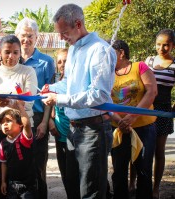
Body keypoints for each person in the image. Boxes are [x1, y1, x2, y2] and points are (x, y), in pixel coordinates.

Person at [41, 4, 117, 198]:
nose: (61, 38)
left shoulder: (100, 50)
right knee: (72, 186)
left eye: (64, 32)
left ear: (78, 23)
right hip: (73, 130)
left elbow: (98, 94)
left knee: (90, 191)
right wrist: (52, 89)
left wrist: (60, 99)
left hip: (93, 131)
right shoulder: (73, 50)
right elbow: (69, 83)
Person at [0, 34, 37, 199]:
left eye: (15, 52)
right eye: (7, 52)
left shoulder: (28, 72)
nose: (11, 56)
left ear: (20, 53)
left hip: (22, 131)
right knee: (2, 174)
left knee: (26, 173)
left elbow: (29, 101)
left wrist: (11, 102)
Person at [110, 40, 157, 199]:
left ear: (121, 53)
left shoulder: (140, 67)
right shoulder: (107, 73)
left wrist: (132, 116)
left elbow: (152, 91)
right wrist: (119, 120)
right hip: (118, 129)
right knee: (119, 172)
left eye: (110, 53)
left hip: (144, 128)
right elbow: (103, 100)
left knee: (143, 170)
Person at [15, 17, 55, 199]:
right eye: (23, 35)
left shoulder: (46, 61)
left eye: (30, 35)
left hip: (38, 116)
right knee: (18, 162)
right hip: (16, 116)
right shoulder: (12, 58)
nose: (26, 39)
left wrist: (45, 122)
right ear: (17, 36)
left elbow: (49, 94)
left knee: (39, 165)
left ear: (36, 37)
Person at [145, 29, 175, 199]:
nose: (162, 48)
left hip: (163, 110)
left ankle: (155, 188)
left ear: (173, 46)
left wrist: (173, 107)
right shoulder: (148, 61)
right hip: (144, 108)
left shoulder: (174, 65)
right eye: (158, 44)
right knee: (140, 146)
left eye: (166, 45)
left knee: (159, 150)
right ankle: (133, 182)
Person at [47, 48, 77, 199]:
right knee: (66, 175)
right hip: (60, 136)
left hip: (77, 136)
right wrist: (50, 121)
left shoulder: (79, 82)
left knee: (82, 174)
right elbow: (50, 106)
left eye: (65, 60)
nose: (62, 64)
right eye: (59, 61)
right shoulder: (56, 84)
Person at [0, 101, 37, 198]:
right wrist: (3, 181)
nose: (5, 124)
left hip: (28, 184)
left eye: (8, 121)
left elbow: (27, 124)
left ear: (20, 124)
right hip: (12, 184)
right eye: (2, 122)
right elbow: (3, 163)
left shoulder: (24, 139)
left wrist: (20, 106)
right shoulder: (3, 144)